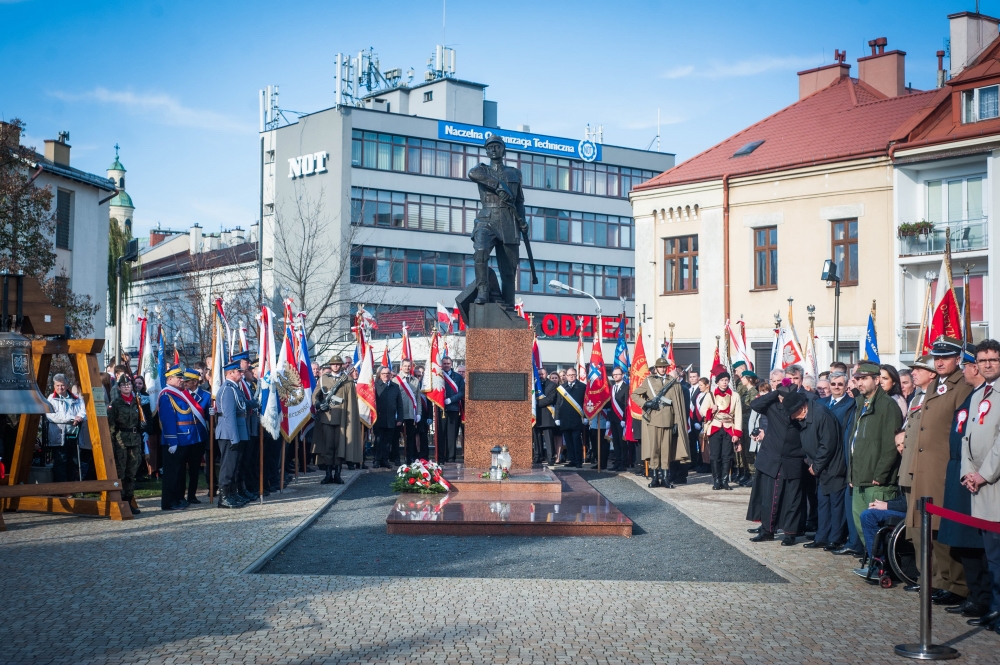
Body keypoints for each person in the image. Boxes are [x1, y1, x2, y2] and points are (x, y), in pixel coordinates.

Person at [908, 337, 973, 605]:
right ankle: (937, 580)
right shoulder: (936, 384)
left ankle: (955, 585)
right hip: (924, 468)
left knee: (943, 529)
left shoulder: (962, 386)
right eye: (936, 357)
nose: (940, 362)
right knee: (927, 530)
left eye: (945, 357)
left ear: (958, 358)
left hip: (944, 468)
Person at [939, 344, 990, 618]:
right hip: (958, 470)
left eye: (968, 366)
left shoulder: (982, 397)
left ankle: (981, 597)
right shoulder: (970, 396)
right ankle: (974, 594)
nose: (965, 370)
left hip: (974, 473)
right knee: (962, 539)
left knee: (975, 541)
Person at [960, 338, 1000, 631]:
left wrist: (983, 474)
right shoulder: (978, 394)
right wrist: (967, 473)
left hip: (995, 485)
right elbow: (967, 437)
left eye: (993, 360)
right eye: (982, 360)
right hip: (978, 486)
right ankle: (994, 610)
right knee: (990, 555)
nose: (987, 365)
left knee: (998, 556)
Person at [846, 362, 903, 552]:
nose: (859, 383)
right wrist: (852, 475)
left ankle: (883, 567)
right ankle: (874, 563)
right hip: (860, 477)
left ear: (876, 380)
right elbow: (856, 442)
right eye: (857, 379)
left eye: (863, 379)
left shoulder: (888, 406)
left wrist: (880, 474)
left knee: (878, 529)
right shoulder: (861, 403)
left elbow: (891, 446)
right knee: (861, 526)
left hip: (877, 481)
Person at [748, 386, 807, 544]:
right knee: (770, 497)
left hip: (794, 458)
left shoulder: (800, 405)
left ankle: (790, 533)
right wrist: (775, 393)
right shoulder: (772, 406)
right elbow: (755, 405)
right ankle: (768, 530)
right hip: (772, 459)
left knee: (792, 498)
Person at [791, 394, 845, 550]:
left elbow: (827, 444)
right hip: (822, 468)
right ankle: (822, 536)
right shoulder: (809, 415)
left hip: (833, 467)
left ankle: (835, 539)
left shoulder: (821, 414)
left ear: (801, 408)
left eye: (793, 414)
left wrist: (816, 465)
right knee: (823, 504)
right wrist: (810, 460)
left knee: (835, 505)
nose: (794, 418)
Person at [633, 357, 689, 488]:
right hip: (654, 419)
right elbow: (634, 395)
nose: (663, 369)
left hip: (668, 419)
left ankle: (665, 478)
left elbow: (676, 404)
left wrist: (676, 422)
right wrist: (646, 403)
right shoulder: (649, 381)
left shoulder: (673, 382)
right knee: (654, 449)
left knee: (666, 450)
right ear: (656, 368)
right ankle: (654, 478)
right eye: (660, 367)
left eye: (664, 367)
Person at [158, 366, 201, 510]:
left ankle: (178, 498)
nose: (182, 380)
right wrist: (172, 441)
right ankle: (169, 502)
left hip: (185, 439)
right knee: (172, 473)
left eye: (182, 377)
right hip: (175, 440)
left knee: (179, 472)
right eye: (179, 377)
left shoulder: (179, 394)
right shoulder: (167, 395)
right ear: (170, 379)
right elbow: (168, 419)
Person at [313, 356, 362, 483]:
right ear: (330, 365)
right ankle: (328, 474)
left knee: (340, 448)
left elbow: (352, 402)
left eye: (338, 364)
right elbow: (315, 396)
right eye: (333, 364)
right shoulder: (323, 379)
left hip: (343, 419)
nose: (335, 366)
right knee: (328, 447)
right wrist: (319, 405)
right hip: (327, 417)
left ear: (341, 365)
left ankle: (338, 474)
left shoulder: (348, 381)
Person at [214, 360, 249, 509]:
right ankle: (224, 496)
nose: (241, 374)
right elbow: (229, 415)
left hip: (236, 432)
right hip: (229, 433)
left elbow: (243, 405)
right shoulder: (228, 389)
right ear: (230, 373)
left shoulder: (235, 388)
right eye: (238, 371)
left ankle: (232, 493)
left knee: (235, 465)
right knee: (228, 466)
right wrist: (235, 437)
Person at [700, 370, 742, 490]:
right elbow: (702, 410)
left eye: (726, 380)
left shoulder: (735, 396)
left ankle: (725, 481)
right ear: (717, 382)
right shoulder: (710, 395)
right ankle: (716, 480)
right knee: (714, 455)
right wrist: (710, 411)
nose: (724, 382)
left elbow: (738, 415)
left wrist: (737, 434)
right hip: (715, 428)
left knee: (727, 456)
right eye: (722, 380)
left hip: (729, 428)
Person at [108, 375, 144, 512]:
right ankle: (121, 501)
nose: (126, 387)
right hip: (120, 440)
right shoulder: (116, 403)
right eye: (123, 385)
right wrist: (112, 443)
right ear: (119, 387)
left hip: (134, 439)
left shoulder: (137, 402)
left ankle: (129, 500)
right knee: (120, 472)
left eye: (128, 384)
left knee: (131, 472)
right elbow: (111, 425)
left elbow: (143, 418)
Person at [45, 373, 87, 484]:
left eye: (62, 385)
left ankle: (71, 485)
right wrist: (72, 418)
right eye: (57, 385)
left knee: (73, 461)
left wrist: (80, 417)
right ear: (54, 386)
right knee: (60, 461)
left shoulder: (76, 398)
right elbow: (52, 416)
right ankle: (62, 488)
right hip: (59, 437)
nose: (60, 388)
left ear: (67, 385)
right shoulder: (51, 399)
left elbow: (83, 411)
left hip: (74, 435)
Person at [182, 368, 210, 503]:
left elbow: (210, 419)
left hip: (199, 436)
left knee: (194, 468)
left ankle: (192, 495)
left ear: (194, 382)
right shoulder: (181, 395)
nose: (185, 383)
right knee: (182, 467)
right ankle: (180, 495)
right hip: (185, 436)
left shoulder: (206, 396)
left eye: (187, 381)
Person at [373, 366, 404, 468]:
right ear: (380, 375)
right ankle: (377, 460)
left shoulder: (395, 386)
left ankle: (385, 460)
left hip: (391, 419)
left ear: (391, 375)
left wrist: (400, 419)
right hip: (379, 419)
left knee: (387, 442)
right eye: (383, 373)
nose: (386, 375)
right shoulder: (375, 385)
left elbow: (399, 404)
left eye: (388, 373)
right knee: (378, 440)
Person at [555, 368, 587, 468]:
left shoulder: (582, 387)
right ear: (566, 376)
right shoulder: (562, 387)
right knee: (568, 441)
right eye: (569, 375)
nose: (571, 376)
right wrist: (557, 417)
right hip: (565, 419)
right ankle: (572, 460)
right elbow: (558, 404)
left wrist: (586, 417)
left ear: (576, 375)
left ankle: (578, 461)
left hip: (577, 419)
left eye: (573, 374)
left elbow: (586, 403)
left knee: (577, 440)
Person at [441, 356, 464, 463]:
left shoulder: (458, 377)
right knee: (441, 434)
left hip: (453, 408)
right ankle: (441, 457)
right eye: (444, 363)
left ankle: (451, 458)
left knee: (452, 435)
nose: (446, 365)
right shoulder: (438, 376)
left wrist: (450, 400)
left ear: (451, 364)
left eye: (448, 363)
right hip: (440, 409)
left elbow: (462, 393)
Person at [535, 367, 559, 465]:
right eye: (539, 374)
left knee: (548, 438)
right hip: (536, 415)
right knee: (536, 438)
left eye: (542, 374)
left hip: (547, 415)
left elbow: (550, 399)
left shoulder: (552, 385)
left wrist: (536, 403)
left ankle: (550, 458)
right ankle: (537, 456)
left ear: (547, 374)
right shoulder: (534, 385)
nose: (541, 376)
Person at [607, 367, 629, 471]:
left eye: (617, 374)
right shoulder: (612, 388)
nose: (615, 376)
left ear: (622, 375)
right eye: (614, 374)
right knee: (615, 442)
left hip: (622, 420)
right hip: (613, 419)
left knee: (622, 442)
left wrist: (624, 419)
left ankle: (623, 464)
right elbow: (610, 405)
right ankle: (617, 462)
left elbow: (626, 405)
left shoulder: (626, 387)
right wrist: (608, 419)